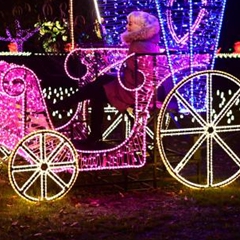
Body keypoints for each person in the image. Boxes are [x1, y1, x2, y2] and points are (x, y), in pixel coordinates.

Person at [54, 11, 161, 143]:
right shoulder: (147, 43)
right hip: (131, 84)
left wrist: (125, 68)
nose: (127, 27)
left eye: (130, 24)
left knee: (95, 91)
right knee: (101, 80)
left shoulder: (139, 46)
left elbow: (141, 74)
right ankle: (69, 107)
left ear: (140, 26)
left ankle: (67, 106)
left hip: (132, 91)